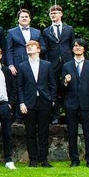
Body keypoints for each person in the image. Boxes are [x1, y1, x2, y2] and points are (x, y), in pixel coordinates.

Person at [17, 40, 56, 168]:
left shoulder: (47, 65)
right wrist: (22, 102)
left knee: (44, 132)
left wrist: (52, 99)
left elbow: (52, 84)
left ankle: (44, 159)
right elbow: (20, 87)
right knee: (30, 132)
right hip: (29, 102)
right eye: (27, 46)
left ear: (38, 49)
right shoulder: (22, 66)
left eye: (32, 46)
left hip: (44, 101)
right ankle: (33, 160)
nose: (29, 48)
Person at [62, 38, 89, 168]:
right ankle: (74, 160)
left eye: (80, 46)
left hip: (86, 104)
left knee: (88, 133)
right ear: (72, 49)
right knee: (72, 133)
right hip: (71, 104)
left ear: (84, 49)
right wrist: (65, 81)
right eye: (75, 46)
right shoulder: (66, 66)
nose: (77, 48)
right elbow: (62, 87)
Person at [5, 9, 45, 122]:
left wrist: (35, 51)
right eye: (22, 17)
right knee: (18, 88)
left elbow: (44, 47)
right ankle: (18, 117)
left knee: (32, 87)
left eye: (26, 16)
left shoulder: (37, 32)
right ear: (18, 19)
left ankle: (33, 114)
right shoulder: (11, 32)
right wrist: (11, 65)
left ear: (30, 18)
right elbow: (9, 50)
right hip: (18, 65)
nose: (24, 18)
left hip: (35, 64)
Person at [42, 5, 75, 124]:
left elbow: (72, 45)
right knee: (53, 88)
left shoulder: (69, 29)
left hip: (67, 62)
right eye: (51, 13)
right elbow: (45, 48)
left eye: (55, 13)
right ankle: (56, 116)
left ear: (61, 14)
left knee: (69, 86)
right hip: (52, 63)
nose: (53, 15)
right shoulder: (46, 31)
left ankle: (71, 114)